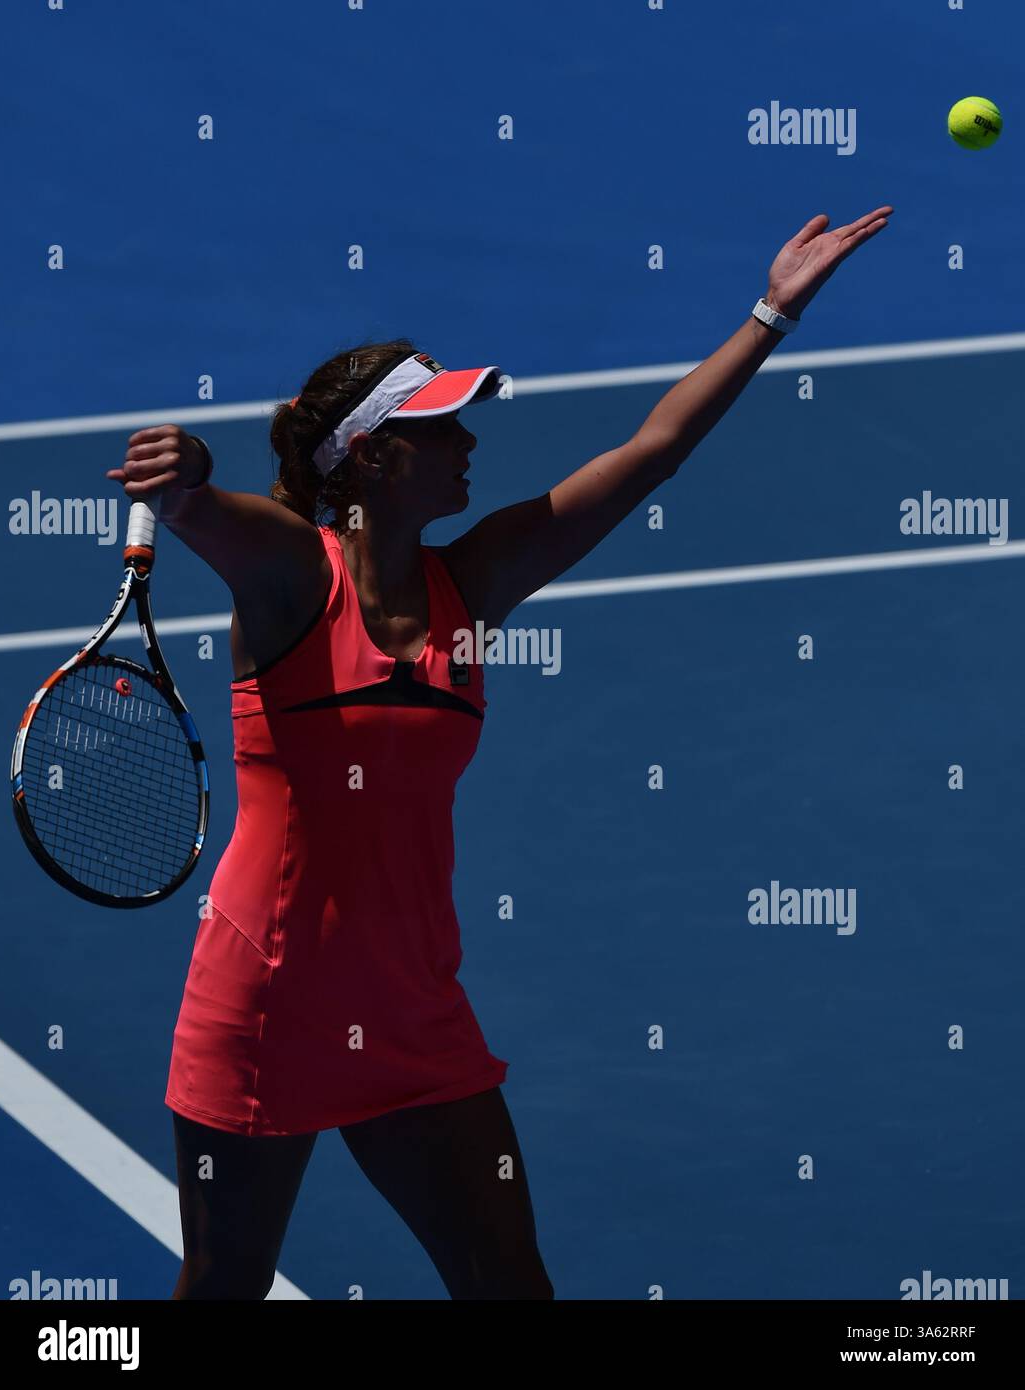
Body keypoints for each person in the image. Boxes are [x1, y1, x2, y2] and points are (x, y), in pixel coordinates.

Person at [107, 205, 893, 1301]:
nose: (470, 441)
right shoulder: (293, 575)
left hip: (414, 1008)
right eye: (442, 429)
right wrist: (186, 477)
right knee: (225, 1285)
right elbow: (210, 514)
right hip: (267, 1002)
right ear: (376, 459)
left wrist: (770, 311)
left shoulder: (467, 588)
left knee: (510, 1285)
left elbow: (649, 454)